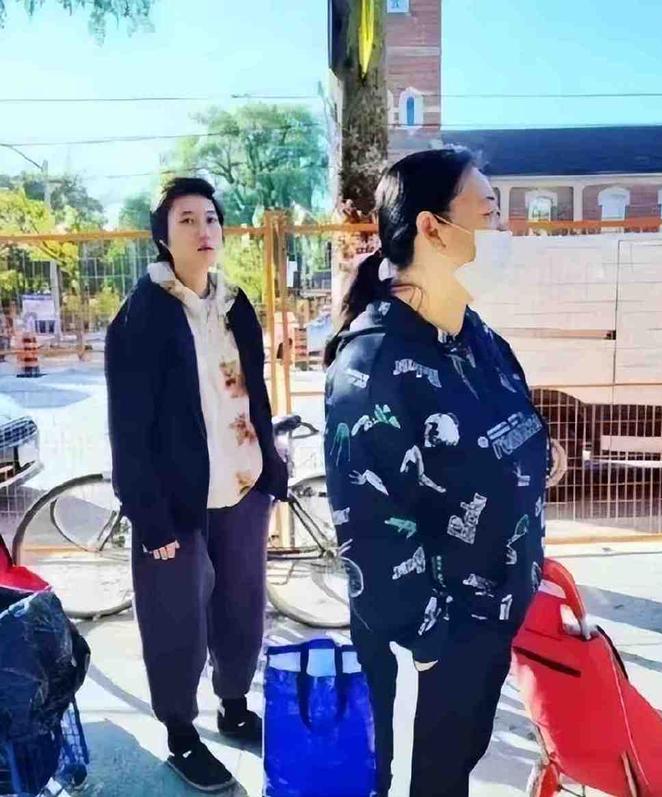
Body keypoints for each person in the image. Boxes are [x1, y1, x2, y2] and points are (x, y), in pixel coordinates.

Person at [323, 148, 550, 797]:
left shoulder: (477, 336)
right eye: (489, 211)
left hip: (492, 616)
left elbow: (507, 428)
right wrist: (431, 644)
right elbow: (370, 527)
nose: (502, 229)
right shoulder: (373, 366)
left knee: (454, 770)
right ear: (432, 228)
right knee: (428, 782)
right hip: (434, 639)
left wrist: (539, 457)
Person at [105, 177, 287, 792]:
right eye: (186, 220)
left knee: (242, 606)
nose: (203, 230)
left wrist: (270, 464)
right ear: (163, 235)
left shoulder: (235, 303)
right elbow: (128, 427)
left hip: (241, 483)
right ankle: (181, 734)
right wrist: (148, 515)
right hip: (175, 501)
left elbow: (254, 391)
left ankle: (234, 707)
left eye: (210, 218)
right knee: (175, 621)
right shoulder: (142, 315)